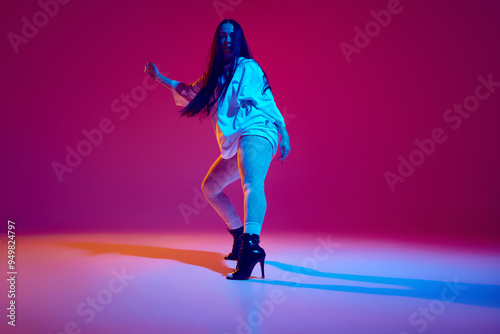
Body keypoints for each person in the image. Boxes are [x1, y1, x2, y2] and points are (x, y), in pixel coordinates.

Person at [144, 19, 290, 280]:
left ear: (239, 41)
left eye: (232, 37)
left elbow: (268, 102)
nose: (227, 41)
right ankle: (238, 236)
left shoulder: (249, 68)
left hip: (257, 130)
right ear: (217, 41)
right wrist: (159, 78)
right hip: (235, 140)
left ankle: (251, 246)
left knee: (251, 184)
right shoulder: (213, 78)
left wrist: (284, 133)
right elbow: (188, 91)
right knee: (210, 187)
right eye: (222, 36)